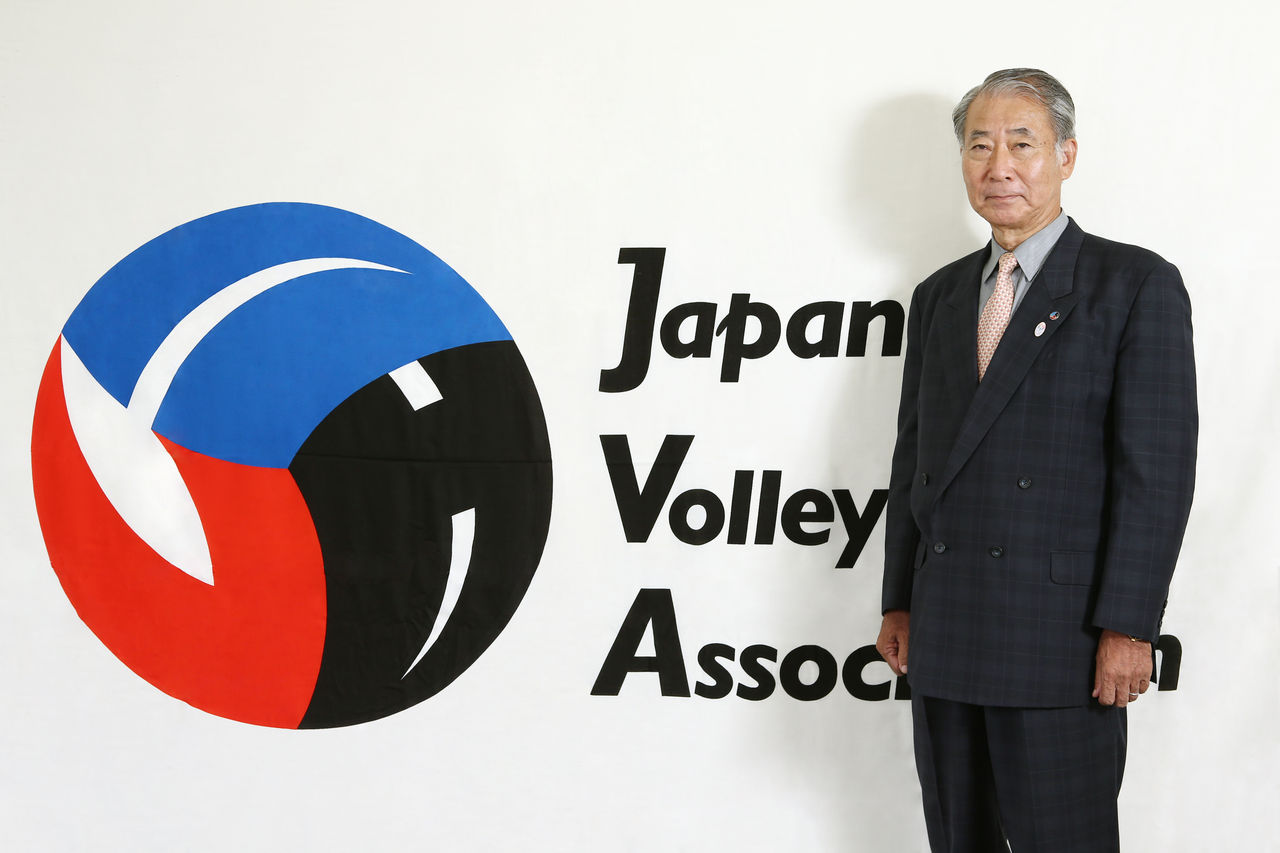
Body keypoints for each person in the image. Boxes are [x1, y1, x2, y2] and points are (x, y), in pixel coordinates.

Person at [875, 69, 1196, 852]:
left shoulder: (1133, 284)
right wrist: (900, 602)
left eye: (1022, 144)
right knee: (958, 838)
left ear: (1066, 155)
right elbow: (915, 457)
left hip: (1061, 642)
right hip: (946, 629)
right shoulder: (940, 295)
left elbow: (1154, 474)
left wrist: (1129, 625)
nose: (1000, 167)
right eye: (979, 146)